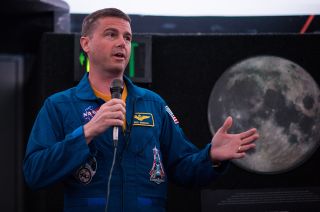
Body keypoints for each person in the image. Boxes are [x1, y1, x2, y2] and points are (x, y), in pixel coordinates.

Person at [23, 8, 259, 212]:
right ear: (86, 43)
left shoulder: (153, 104)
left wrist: (211, 158)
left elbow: (183, 169)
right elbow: (34, 173)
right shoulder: (59, 105)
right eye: (111, 34)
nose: (121, 43)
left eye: (127, 37)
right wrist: (86, 132)